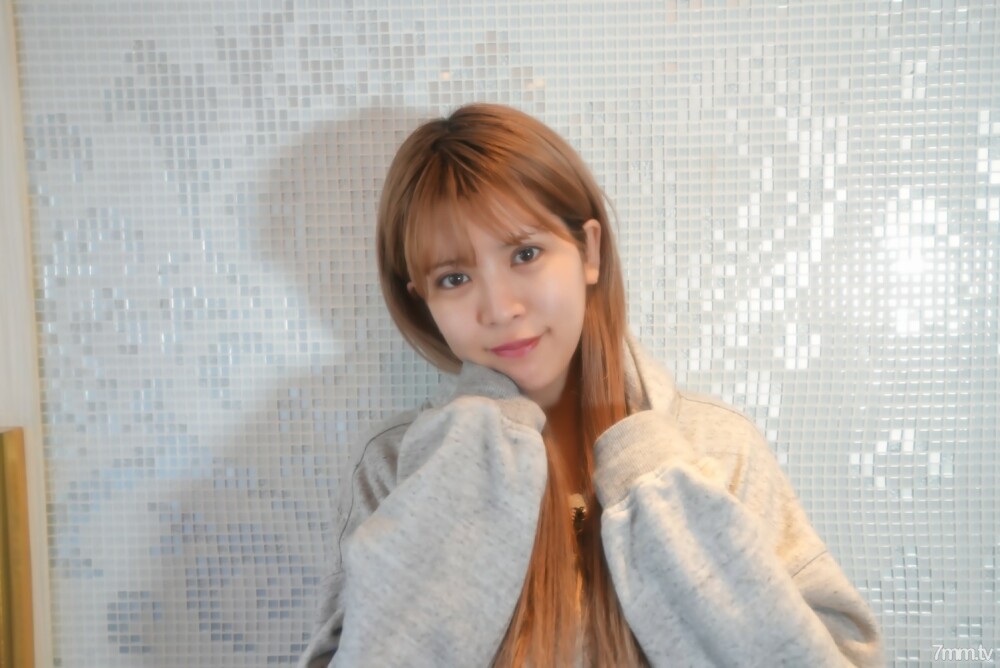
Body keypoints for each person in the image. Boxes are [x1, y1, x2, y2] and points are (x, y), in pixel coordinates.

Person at [298, 103, 883, 667]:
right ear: (422, 299)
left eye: (525, 253)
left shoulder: (715, 450)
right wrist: (464, 471)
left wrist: (653, 480)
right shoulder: (399, 466)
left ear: (589, 251)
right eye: (454, 278)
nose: (499, 308)